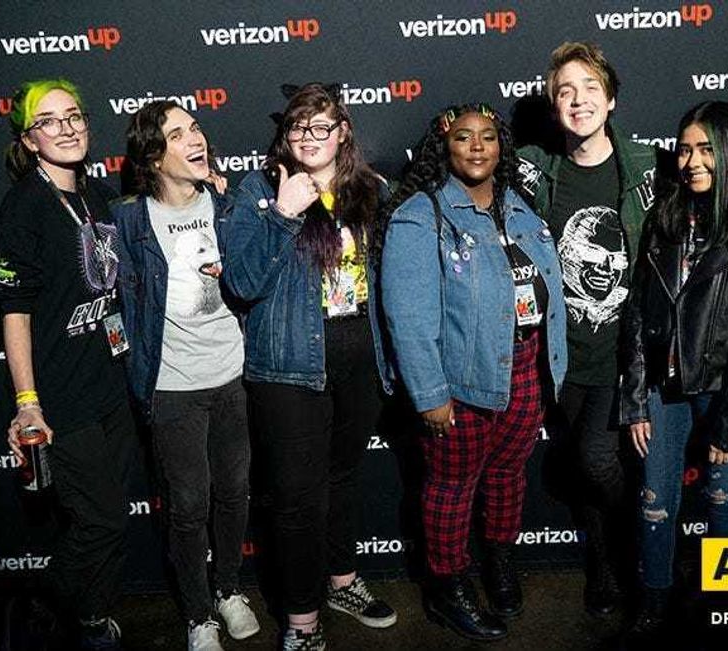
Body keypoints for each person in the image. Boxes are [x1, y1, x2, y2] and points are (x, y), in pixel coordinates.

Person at [381, 103, 567, 641]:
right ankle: (448, 587)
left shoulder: (519, 205)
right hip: (460, 384)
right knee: (452, 486)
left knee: (508, 476)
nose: (478, 146)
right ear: (445, 147)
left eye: (488, 136)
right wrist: (430, 394)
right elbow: (409, 316)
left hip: (525, 370)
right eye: (464, 137)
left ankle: (499, 563)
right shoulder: (421, 214)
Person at [223, 83, 396, 651]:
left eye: (322, 125)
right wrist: (284, 214)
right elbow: (242, 282)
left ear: (343, 132)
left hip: (359, 364)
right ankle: (301, 620)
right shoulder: (259, 191)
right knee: (298, 497)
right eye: (299, 126)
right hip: (289, 370)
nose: (309, 136)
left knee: (342, 479)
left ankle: (341, 582)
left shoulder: (368, 191)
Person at [619, 100, 728, 635]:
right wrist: (635, 399)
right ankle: (654, 602)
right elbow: (639, 311)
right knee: (654, 502)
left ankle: (725, 604)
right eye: (685, 150)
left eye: (706, 149)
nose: (692, 162)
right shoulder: (664, 218)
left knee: (722, 500)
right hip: (663, 389)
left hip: (725, 388)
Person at [0, 78, 133, 650]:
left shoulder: (95, 194)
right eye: (49, 121)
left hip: (111, 385)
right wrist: (27, 404)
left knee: (108, 517)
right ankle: (48, 605)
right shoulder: (24, 208)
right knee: (102, 521)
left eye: (73, 116)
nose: (66, 128)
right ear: (29, 140)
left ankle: (89, 614)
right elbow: (15, 313)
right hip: (64, 397)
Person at [516, 41, 661, 614]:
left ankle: (637, 557)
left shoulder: (647, 166)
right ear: (554, 107)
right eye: (565, 92)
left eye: (590, 89)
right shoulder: (536, 170)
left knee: (599, 461)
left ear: (612, 98)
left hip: (625, 354)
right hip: (561, 352)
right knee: (581, 464)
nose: (578, 101)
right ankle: (604, 568)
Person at [112, 100, 260, 651]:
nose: (195, 138)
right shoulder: (128, 220)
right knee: (189, 504)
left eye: (195, 128)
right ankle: (199, 615)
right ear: (154, 157)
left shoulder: (228, 204)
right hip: (172, 386)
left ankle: (229, 590)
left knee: (236, 491)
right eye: (177, 134)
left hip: (233, 377)